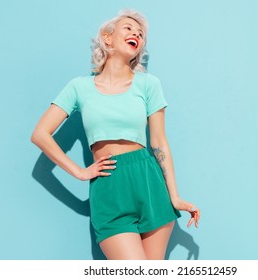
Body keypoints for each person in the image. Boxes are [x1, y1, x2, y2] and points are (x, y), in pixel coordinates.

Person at [31, 9, 200, 260]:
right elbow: (40, 134)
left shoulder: (148, 84)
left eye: (140, 34)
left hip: (149, 182)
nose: (136, 34)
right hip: (109, 186)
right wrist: (79, 172)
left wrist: (174, 197)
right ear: (107, 38)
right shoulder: (79, 87)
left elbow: (159, 142)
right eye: (128, 28)